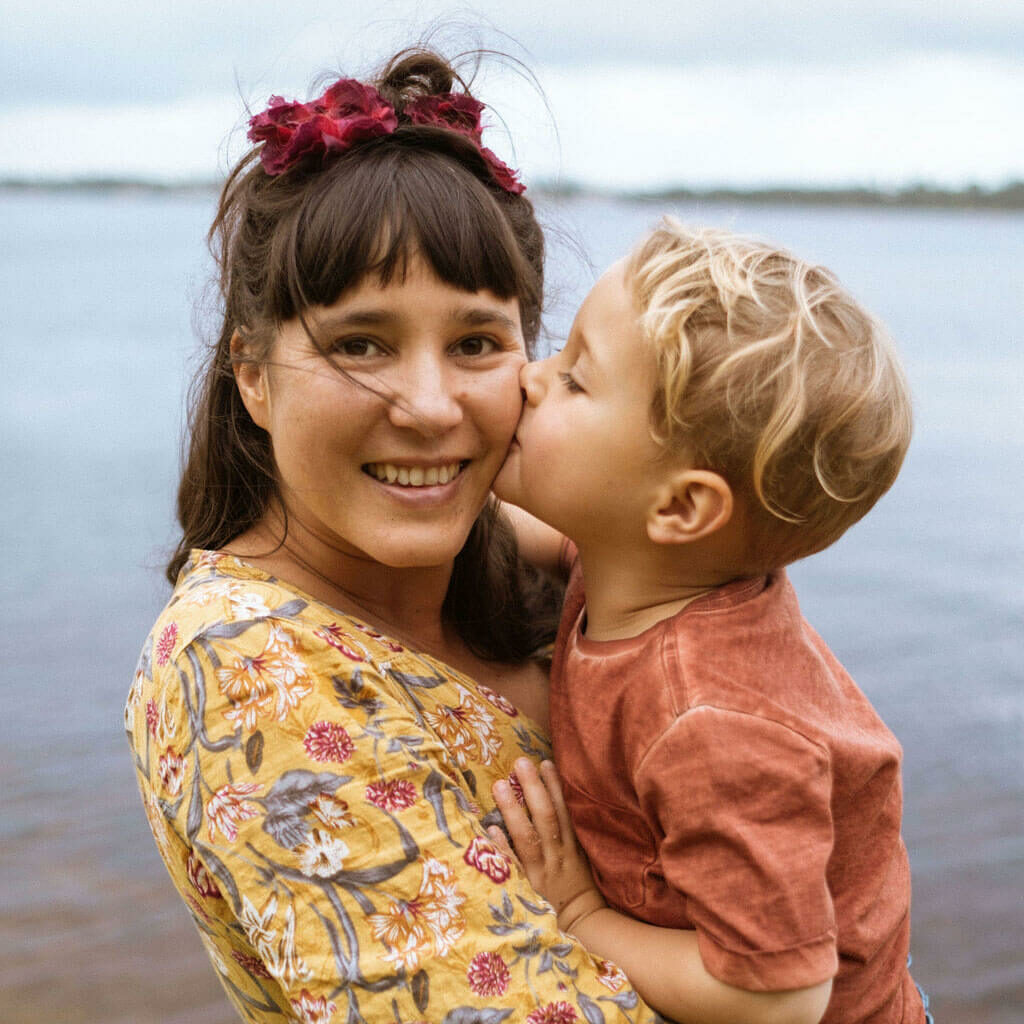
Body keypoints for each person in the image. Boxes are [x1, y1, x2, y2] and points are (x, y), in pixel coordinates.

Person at [125, 49, 662, 1023]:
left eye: (475, 343)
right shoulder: (247, 669)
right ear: (251, 372)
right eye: (361, 342)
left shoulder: (565, 559)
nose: (428, 406)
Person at [490, 219, 930, 1023]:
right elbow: (537, 533)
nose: (529, 377)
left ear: (684, 507)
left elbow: (779, 998)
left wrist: (584, 917)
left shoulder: (711, 725)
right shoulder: (644, 565)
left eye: (576, 380)